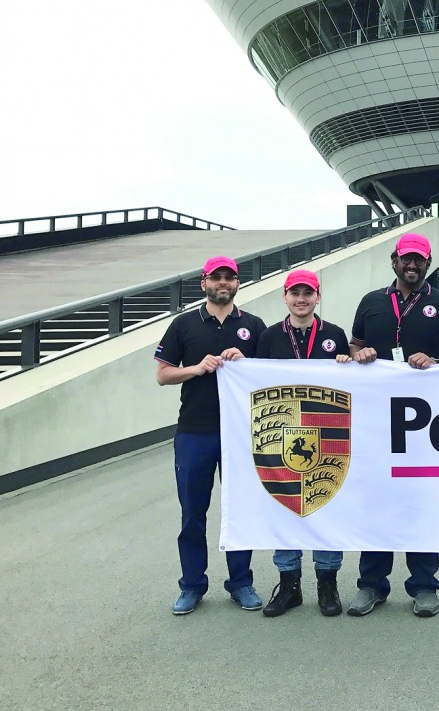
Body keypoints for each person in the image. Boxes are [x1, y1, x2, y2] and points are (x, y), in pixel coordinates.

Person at [345, 232, 439, 618]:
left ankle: (424, 585)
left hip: (424, 424)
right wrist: (358, 353)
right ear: (394, 260)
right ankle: (371, 585)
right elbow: (354, 344)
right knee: (377, 501)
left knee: (419, 503)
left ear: (428, 264)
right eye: (406, 259)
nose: (411, 265)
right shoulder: (371, 302)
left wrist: (436, 364)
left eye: (419, 260)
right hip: (377, 421)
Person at [155, 256, 266, 615]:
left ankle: (241, 582)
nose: (223, 283)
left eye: (229, 277)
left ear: (237, 283)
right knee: (193, 513)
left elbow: (270, 376)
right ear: (203, 283)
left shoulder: (253, 325)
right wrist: (197, 368)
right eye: (216, 277)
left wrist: (246, 363)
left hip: (241, 435)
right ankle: (192, 585)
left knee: (239, 510)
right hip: (195, 433)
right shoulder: (184, 324)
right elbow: (163, 375)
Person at [253, 269, 355, 619]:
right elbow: (253, 382)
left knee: (325, 504)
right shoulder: (268, 337)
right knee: (284, 507)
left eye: (307, 293)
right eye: (295, 293)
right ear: (284, 297)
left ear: (317, 297)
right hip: (280, 438)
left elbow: (353, 385)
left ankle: (327, 582)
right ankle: (289, 584)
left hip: (326, 437)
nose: (301, 299)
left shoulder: (335, 335)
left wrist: (348, 362)